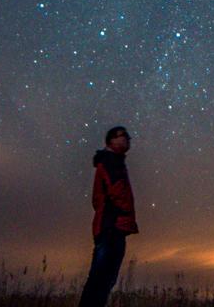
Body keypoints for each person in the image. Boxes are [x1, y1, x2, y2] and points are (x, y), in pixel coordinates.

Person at [77, 126, 139, 307]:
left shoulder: (113, 161)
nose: (127, 139)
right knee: (101, 279)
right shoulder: (111, 161)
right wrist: (124, 213)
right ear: (111, 141)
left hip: (112, 227)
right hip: (111, 227)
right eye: (122, 136)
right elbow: (117, 192)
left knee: (103, 280)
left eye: (128, 136)